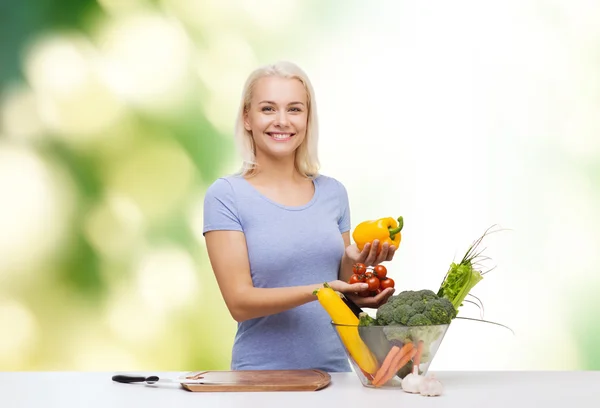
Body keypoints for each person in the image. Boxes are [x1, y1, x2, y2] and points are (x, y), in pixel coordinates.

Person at [202, 61, 397, 372]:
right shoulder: (226, 196)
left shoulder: (333, 192)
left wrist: (355, 265)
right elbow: (239, 303)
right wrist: (320, 290)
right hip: (262, 379)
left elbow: (341, 293)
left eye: (294, 109)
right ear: (247, 118)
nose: (282, 121)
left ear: (308, 118)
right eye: (268, 109)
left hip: (337, 374)